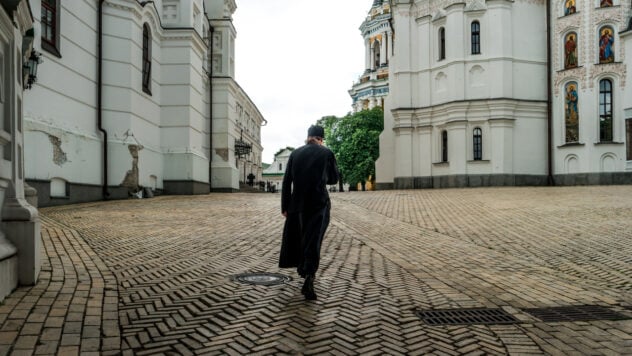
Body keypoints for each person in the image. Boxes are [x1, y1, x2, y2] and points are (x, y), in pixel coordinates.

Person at [279, 125, 339, 300]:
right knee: (314, 240)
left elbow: (286, 181)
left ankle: (302, 267)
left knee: (300, 237)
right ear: (321, 139)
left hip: (297, 204)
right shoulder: (326, 153)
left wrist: (285, 206)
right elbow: (334, 179)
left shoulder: (295, 153)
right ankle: (309, 278)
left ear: (308, 137)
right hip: (319, 204)